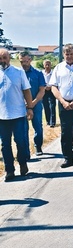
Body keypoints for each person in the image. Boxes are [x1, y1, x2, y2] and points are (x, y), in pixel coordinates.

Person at [50, 44, 73, 167]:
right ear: (63, 55)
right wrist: (62, 101)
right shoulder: (58, 68)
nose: (69, 56)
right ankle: (68, 157)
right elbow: (53, 86)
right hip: (64, 104)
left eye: (71, 54)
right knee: (66, 132)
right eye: (67, 54)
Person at [0, 48, 34, 181]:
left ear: (9, 58)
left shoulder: (19, 72)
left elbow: (27, 91)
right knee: (5, 145)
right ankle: (9, 170)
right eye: (0, 58)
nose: (2, 61)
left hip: (18, 114)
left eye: (4, 58)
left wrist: (30, 108)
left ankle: (23, 163)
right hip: (2, 117)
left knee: (20, 141)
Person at [19, 51, 46, 156]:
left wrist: (33, 103)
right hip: (21, 106)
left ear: (30, 60)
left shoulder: (38, 73)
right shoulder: (18, 73)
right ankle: (26, 151)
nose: (24, 64)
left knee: (38, 127)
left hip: (36, 104)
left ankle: (38, 146)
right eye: (22, 62)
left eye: (26, 61)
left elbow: (42, 90)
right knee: (23, 129)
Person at [42, 59, 56, 128]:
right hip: (44, 90)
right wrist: (44, 87)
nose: (47, 66)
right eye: (46, 64)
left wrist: (50, 86)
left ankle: (52, 122)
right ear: (43, 65)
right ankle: (48, 121)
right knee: (46, 106)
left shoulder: (53, 73)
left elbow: (55, 81)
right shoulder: (41, 73)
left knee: (52, 106)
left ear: (51, 65)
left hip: (52, 90)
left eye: (48, 64)